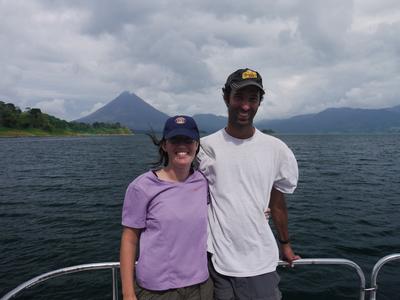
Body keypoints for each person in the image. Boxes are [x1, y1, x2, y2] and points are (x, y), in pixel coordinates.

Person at [197, 68, 300, 300]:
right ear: (226, 98)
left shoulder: (276, 149)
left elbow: (278, 204)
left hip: (259, 261)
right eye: (239, 98)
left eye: (252, 99)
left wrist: (285, 243)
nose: (245, 106)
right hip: (216, 261)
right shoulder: (204, 147)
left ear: (259, 102)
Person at [120, 115, 213, 300]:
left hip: (200, 287)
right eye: (175, 140)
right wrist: (128, 292)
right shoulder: (142, 186)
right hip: (156, 290)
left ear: (196, 145)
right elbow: (129, 239)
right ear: (164, 145)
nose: (182, 146)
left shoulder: (203, 181)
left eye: (188, 140)